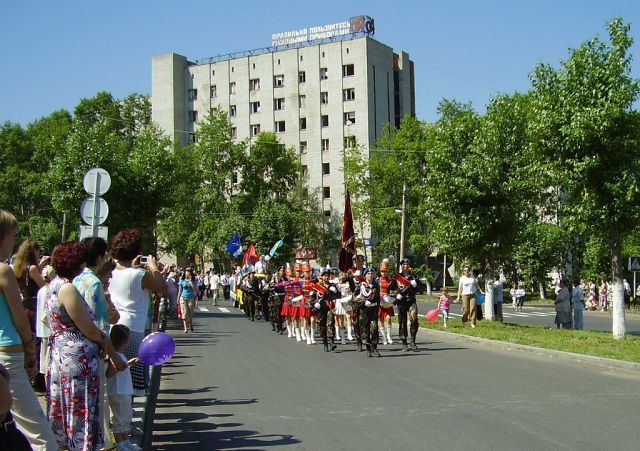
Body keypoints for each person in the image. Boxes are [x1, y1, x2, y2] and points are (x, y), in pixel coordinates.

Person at [46, 241, 127, 450]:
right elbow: (89, 329)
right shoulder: (67, 288)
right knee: (80, 411)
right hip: (77, 360)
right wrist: (111, 351)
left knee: (64, 410)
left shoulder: (52, 285)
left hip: (61, 356)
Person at [0, 209, 57, 450]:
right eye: (13, 236)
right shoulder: (3, 271)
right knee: (40, 432)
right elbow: (19, 317)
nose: (14, 242)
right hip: (9, 354)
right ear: (2, 237)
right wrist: (30, 350)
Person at [109, 228, 167, 396]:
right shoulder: (140, 274)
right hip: (133, 327)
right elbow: (162, 287)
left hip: (114, 323)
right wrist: (153, 267)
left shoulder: (110, 272)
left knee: (116, 371)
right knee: (131, 375)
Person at [106, 325, 142, 451]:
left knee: (126, 417)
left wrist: (128, 363)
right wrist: (122, 365)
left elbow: (121, 368)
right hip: (117, 391)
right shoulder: (114, 356)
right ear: (125, 341)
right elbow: (109, 373)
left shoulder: (119, 355)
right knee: (119, 419)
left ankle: (126, 441)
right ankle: (120, 444)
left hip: (124, 391)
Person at [389, 258, 421, 350]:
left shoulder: (413, 276)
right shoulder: (397, 277)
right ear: (401, 266)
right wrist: (396, 295)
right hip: (401, 302)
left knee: (414, 319)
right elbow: (390, 289)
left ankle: (413, 341)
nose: (405, 266)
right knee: (402, 321)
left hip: (411, 301)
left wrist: (416, 286)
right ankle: (404, 342)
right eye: (404, 264)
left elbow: (419, 289)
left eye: (407, 264)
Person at [354, 268, 381, 357]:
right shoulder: (360, 286)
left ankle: (374, 348)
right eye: (368, 273)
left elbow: (378, 298)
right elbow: (354, 299)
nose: (370, 275)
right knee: (365, 330)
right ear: (365, 275)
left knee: (374, 328)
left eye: (371, 273)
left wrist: (377, 307)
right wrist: (363, 301)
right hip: (364, 310)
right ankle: (368, 348)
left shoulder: (376, 286)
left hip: (373, 310)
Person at [377, 259, 394, 344]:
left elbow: (394, 290)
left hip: (388, 302)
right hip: (380, 302)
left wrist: (393, 294)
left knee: (388, 318)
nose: (383, 273)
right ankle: (383, 338)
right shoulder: (377, 280)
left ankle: (389, 336)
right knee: (381, 320)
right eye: (382, 271)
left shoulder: (391, 280)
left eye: (385, 271)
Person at [177, 268, 197, 332]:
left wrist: (190, 280)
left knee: (190, 313)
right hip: (183, 297)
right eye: (186, 271)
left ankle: (190, 324)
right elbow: (180, 290)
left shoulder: (193, 280)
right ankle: (185, 328)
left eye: (189, 272)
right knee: (184, 313)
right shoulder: (182, 280)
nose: (187, 273)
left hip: (191, 297)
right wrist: (178, 299)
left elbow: (194, 289)